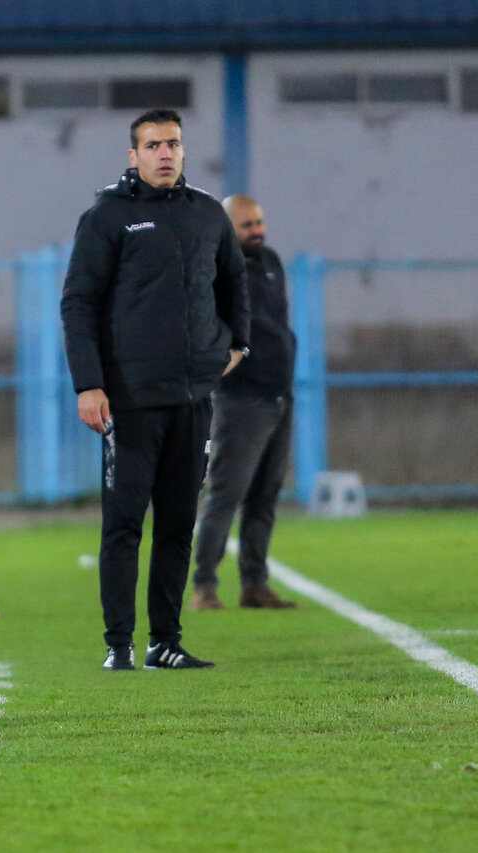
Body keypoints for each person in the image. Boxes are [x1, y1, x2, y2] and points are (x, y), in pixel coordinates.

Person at [61, 108, 250, 671]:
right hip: (130, 400)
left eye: (173, 144)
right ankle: (118, 644)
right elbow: (79, 304)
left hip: (192, 400)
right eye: (153, 145)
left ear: (183, 150)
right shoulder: (107, 216)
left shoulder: (207, 213)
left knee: (177, 526)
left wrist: (237, 347)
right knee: (123, 526)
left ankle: (165, 642)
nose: (165, 153)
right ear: (134, 155)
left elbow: (234, 282)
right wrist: (89, 384)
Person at [191, 195, 298, 611]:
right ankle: (204, 586)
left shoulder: (270, 261)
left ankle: (254, 584)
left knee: (265, 496)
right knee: (226, 493)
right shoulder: (217, 270)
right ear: (227, 228)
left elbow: (277, 322)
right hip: (242, 399)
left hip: (279, 394)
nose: (257, 231)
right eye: (247, 225)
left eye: (259, 222)